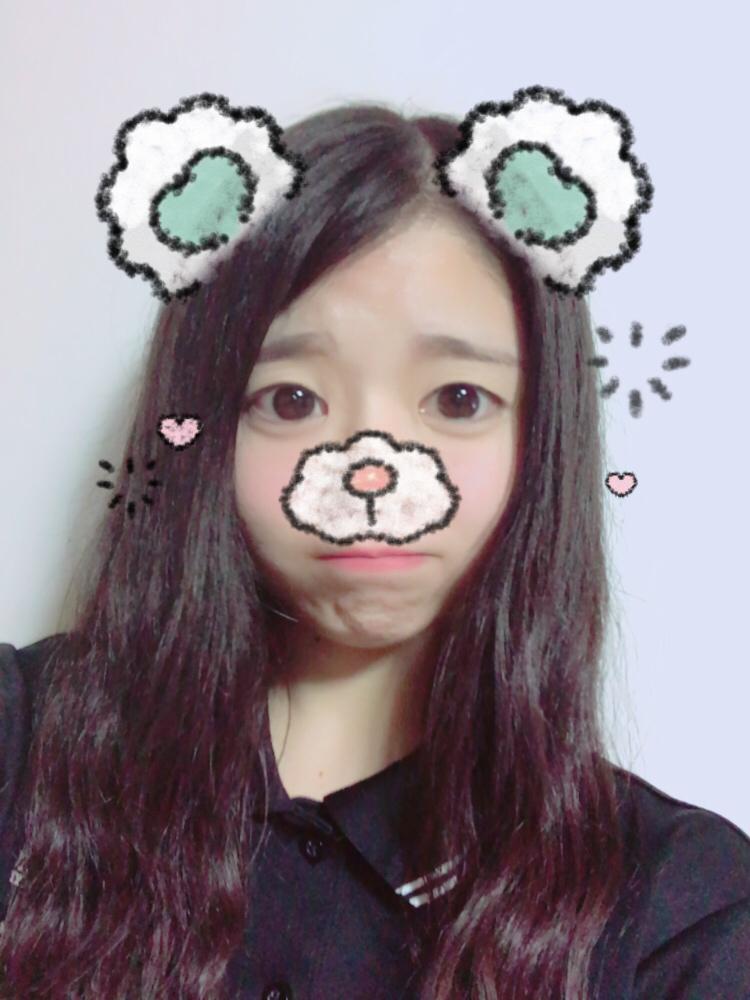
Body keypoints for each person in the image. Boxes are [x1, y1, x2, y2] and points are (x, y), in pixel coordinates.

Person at [0, 96, 748, 1000]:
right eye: (291, 400)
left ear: (544, 440)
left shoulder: (678, 907)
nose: (370, 473)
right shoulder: (22, 743)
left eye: (458, 400)